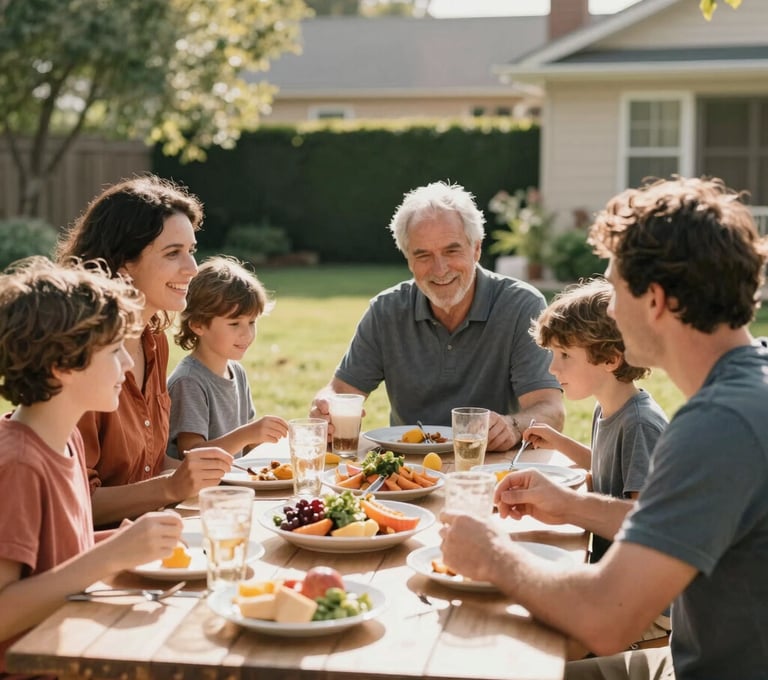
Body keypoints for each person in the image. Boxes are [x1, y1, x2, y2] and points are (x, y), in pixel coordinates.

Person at [439, 176, 768, 679]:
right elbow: (671, 526)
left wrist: (492, 556)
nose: (610, 309)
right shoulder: (746, 391)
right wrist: (569, 504)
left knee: (480, 662)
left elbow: (605, 618)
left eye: (614, 290)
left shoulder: (718, 426)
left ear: (655, 300)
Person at [0, 257, 184, 668]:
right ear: (64, 364)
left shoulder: (66, 441)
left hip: (78, 648)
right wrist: (113, 555)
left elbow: (57, 563)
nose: (127, 364)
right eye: (116, 350)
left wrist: (133, 542)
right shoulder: (17, 464)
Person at [310, 180, 564, 452]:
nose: (440, 269)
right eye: (423, 255)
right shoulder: (386, 311)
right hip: (407, 468)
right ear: (409, 259)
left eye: (451, 250)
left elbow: (550, 409)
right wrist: (324, 407)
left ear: (476, 248)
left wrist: (513, 426)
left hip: (494, 465)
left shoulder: (521, 305)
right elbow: (339, 392)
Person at [56, 175, 232, 527]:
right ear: (123, 264)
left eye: (191, 250)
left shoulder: (154, 341)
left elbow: (147, 468)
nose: (193, 268)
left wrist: (219, 479)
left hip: (152, 540)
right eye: (172, 253)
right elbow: (73, 502)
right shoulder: (79, 355)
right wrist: (171, 487)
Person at [527, 277, 668, 562]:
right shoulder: (608, 408)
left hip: (633, 588)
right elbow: (607, 470)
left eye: (565, 355)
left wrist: (569, 505)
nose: (553, 368)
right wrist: (558, 442)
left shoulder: (639, 424)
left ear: (610, 359)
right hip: (606, 569)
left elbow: (644, 523)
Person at [167, 256, 288, 459]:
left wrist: (274, 437)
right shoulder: (188, 382)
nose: (247, 334)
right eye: (234, 324)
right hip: (201, 490)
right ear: (198, 325)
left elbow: (245, 446)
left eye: (251, 322)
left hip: (234, 485)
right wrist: (248, 434)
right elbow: (191, 453)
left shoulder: (236, 371)